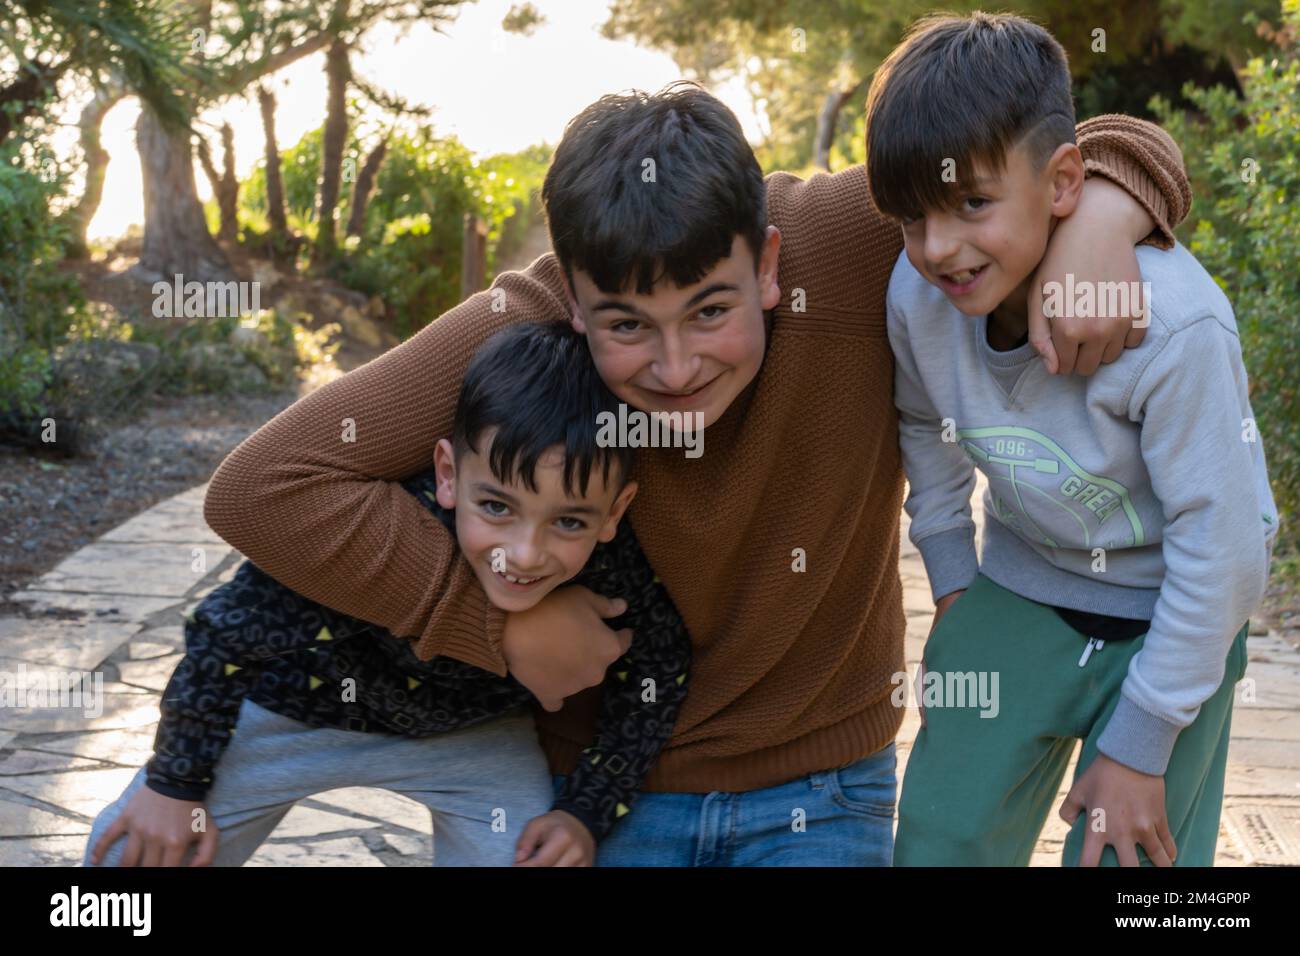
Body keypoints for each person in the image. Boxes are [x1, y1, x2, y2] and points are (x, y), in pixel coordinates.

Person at [201, 76, 1193, 865]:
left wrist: (1102, 217)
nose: (675, 370)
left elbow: (1089, 142)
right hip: (602, 793)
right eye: (626, 326)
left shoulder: (846, 241)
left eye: (713, 311)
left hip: (827, 787)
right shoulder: (531, 330)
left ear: (766, 263)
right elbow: (264, 485)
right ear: (576, 300)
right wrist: (498, 622)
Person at [869, 12, 1278, 866]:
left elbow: (1227, 546)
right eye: (912, 219)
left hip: (1176, 612)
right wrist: (952, 582)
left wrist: (1145, 735)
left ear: (1063, 184)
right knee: (941, 842)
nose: (939, 247)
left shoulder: (1176, 327)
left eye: (972, 203)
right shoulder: (916, 295)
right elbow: (924, 426)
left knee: (1134, 868)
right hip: (1021, 586)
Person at [84, 321, 691, 867]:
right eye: (497, 507)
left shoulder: (613, 564)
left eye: (568, 522)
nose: (526, 554)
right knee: (126, 861)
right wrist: (173, 785)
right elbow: (223, 632)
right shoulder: (381, 530)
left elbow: (659, 666)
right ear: (449, 476)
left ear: (615, 513)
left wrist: (584, 811)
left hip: (472, 737)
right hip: (294, 710)